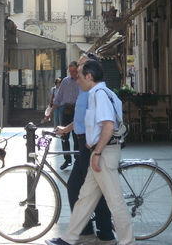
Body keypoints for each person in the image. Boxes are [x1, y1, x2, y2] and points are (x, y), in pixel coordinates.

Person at [45, 60, 135, 245]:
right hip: (101, 151)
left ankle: (127, 241)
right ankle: (70, 237)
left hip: (105, 153)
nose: (77, 81)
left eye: (79, 77)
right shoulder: (103, 93)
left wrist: (97, 152)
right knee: (85, 197)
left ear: (89, 76)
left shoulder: (99, 95)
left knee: (114, 199)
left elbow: (108, 126)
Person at [55, 53, 115, 245]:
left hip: (89, 145)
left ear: (90, 70)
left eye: (81, 65)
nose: (78, 69)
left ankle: (100, 233)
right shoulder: (83, 88)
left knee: (84, 188)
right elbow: (81, 118)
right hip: (83, 143)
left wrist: (96, 150)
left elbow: (104, 121)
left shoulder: (93, 91)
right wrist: (66, 129)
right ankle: (94, 232)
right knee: (88, 188)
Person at [45, 62, 80, 170]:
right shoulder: (65, 81)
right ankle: (67, 159)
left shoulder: (81, 81)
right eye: (71, 71)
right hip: (66, 111)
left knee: (76, 137)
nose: (73, 73)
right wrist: (50, 112)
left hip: (77, 111)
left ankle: (77, 159)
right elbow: (58, 99)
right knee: (64, 136)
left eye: (75, 71)